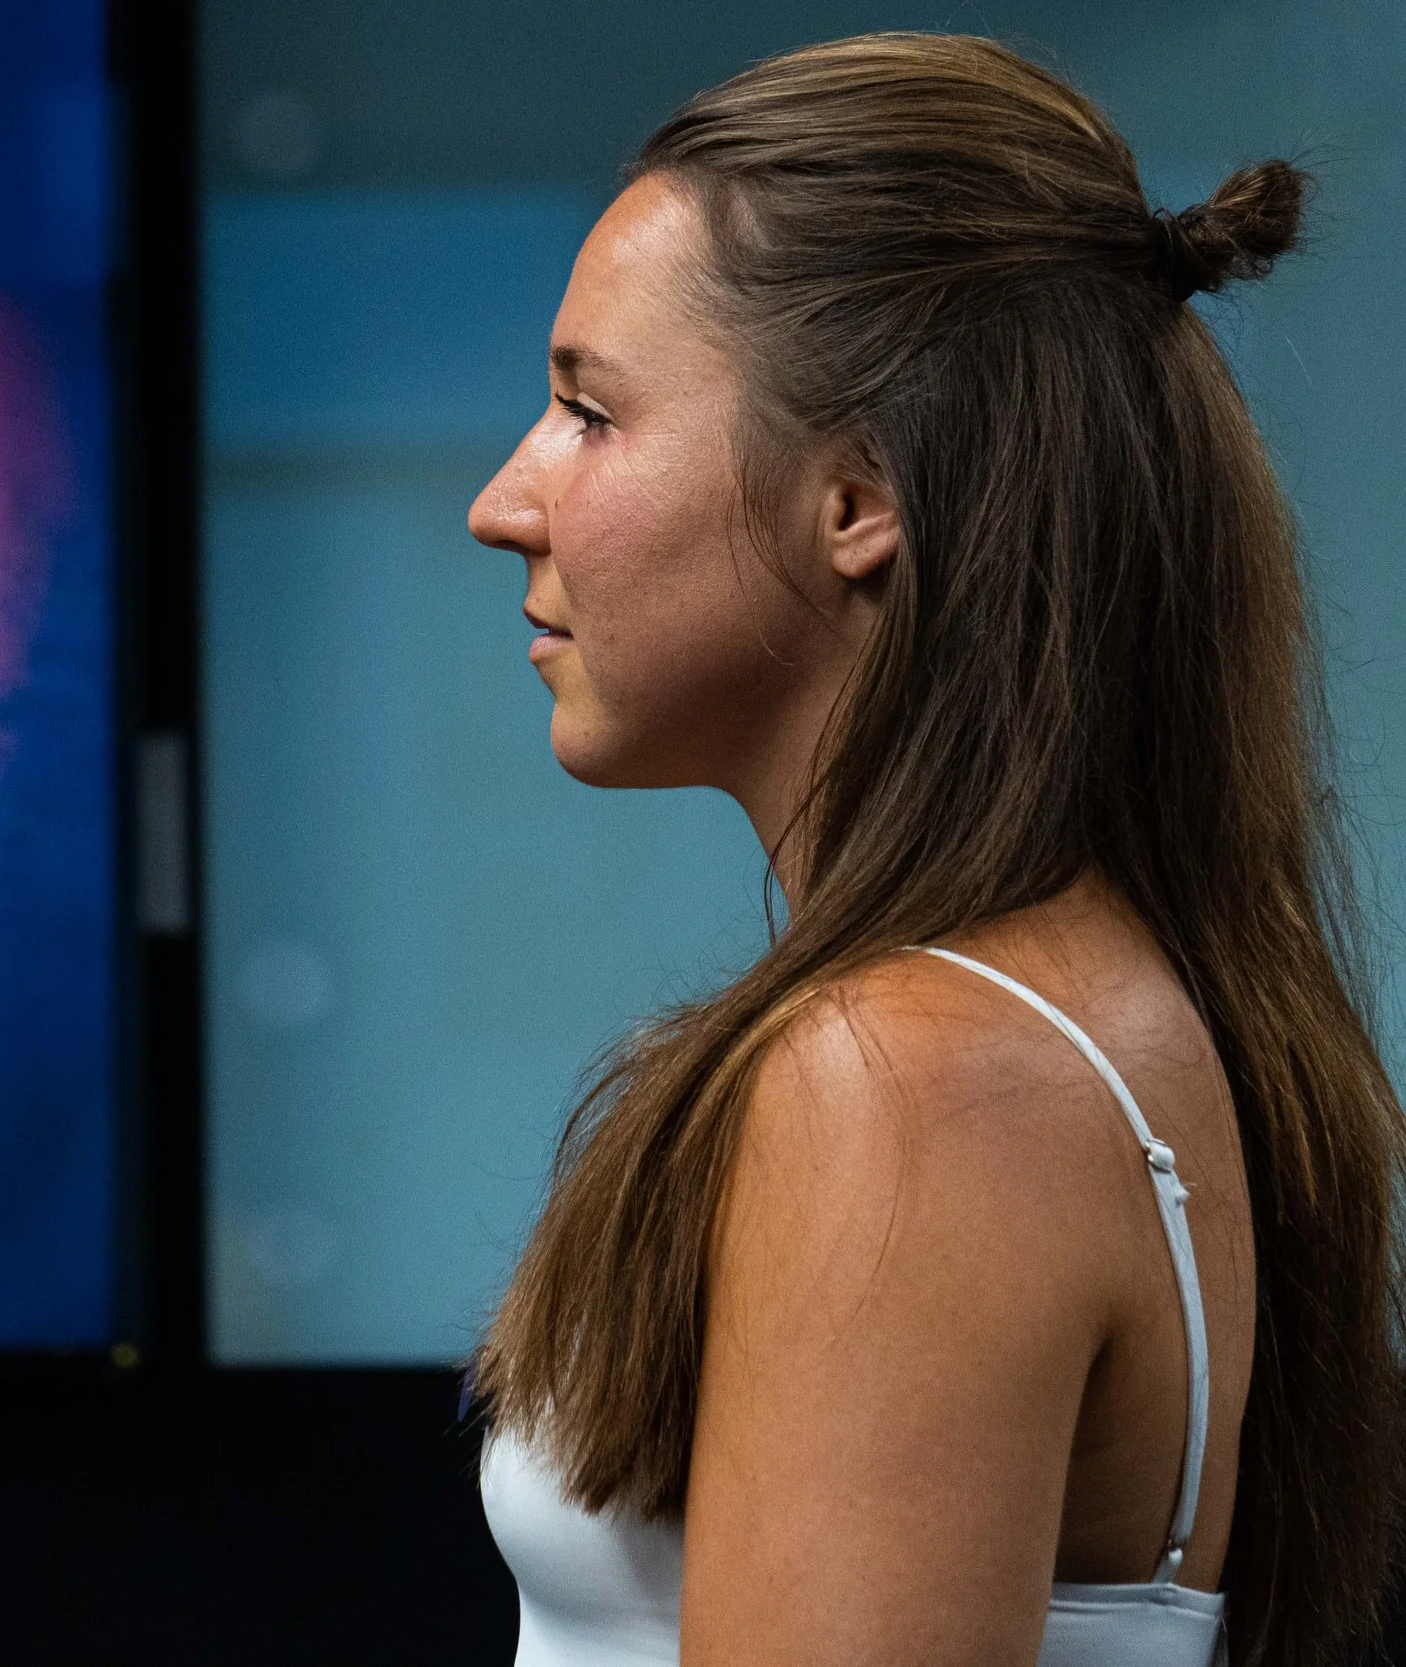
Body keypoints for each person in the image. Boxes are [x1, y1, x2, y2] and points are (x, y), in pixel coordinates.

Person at [465, 33, 1401, 1667]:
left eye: (587, 411)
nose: (504, 500)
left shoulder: (912, 1077)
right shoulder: (1053, 1017)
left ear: (859, 494)